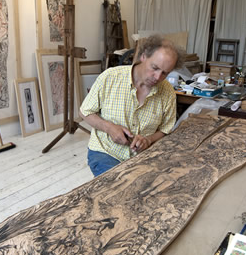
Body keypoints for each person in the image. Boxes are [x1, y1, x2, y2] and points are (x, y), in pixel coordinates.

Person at [79, 34, 185, 177]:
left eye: (165, 73)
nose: (157, 77)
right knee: (118, 187)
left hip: (143, 156)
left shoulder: (167, 92)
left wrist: (148, 140)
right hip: (106, 152)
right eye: (154, 68)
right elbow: (85, 111)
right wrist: (109, 128)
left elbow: (165, 129)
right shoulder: (110, 77)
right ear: (143, 56)